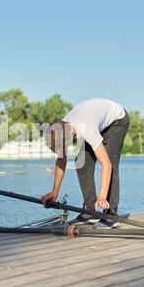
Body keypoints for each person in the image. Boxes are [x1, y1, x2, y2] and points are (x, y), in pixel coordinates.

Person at [41, 98, 129, 229]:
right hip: (96, 120)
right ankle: (90, 211)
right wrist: (54, 192)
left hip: (117, 120)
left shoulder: (87, 129)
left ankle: (111, 214)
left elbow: (106, 165)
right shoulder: (62, 128)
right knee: (81, 164)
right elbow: (61, 160)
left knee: (110, 160)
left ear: (70, 136)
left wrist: (102, 197)